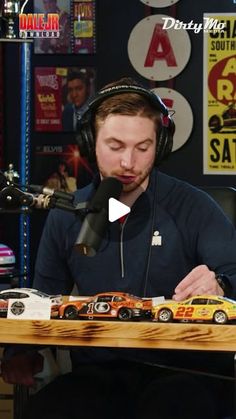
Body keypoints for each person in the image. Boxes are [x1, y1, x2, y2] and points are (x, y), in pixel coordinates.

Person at [2, 77, 236, 419]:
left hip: (183, 374)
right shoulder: (68, 215)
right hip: (98, 376)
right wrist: (19, 352)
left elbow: (233, 271)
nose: (129, 162)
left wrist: (221, 285)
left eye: (143, 148)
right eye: (115, 146)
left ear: (160, 146)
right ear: (90, 143)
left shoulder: (193, 207)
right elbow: (42, 298)